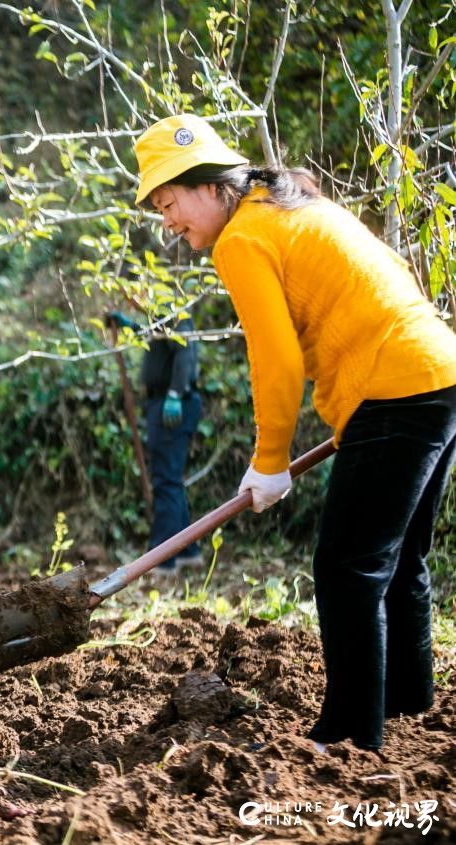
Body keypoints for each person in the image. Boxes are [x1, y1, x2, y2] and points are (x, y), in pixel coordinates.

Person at [133, 113, 456, 752]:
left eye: (170, 202)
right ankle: (408, 700)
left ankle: (348, 734)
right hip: (436, 372)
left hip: (395, 389)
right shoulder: (292, 206)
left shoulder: (243, 237)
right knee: (397, 559)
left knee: (347, 566)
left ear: (207, 185)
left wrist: (270, 457)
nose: (169, 222)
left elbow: (276, 359)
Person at [105, 310, 202, 575]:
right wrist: (129, 326)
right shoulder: (159, 315)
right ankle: (186, 551)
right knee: (170, 478)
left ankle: (163, 558)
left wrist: (174, 393)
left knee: (166, 480)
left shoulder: (175, 310)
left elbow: (184, 351)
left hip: (173, 404)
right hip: (163, 402)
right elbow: (156, 335)